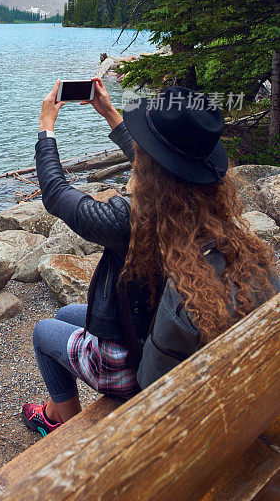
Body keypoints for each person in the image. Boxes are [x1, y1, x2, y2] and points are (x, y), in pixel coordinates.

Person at [21, 78, 279, 437]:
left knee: (43, 331)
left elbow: (55, 193)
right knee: (67, 314)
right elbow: (164, 164)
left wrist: (46, 128)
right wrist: (110, 113)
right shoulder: (206, 211)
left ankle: (60, 423)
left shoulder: (129, 222)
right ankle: (58, 407)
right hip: (150, 329)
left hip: (130, 366)